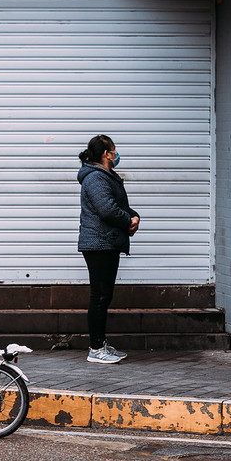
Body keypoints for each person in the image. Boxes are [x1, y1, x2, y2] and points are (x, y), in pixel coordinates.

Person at [77, 134, 140, 364]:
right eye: (114, 150)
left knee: (104, 295)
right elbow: (107, 209)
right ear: (106, 154)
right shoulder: (95, 178)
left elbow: (118, 206)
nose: (117, 154)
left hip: (106, 242)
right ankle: (95, 348)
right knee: (100, 296)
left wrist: (134, 217)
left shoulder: (104, 176)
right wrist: (128, 221)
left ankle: (100, 343)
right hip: (98, 243)